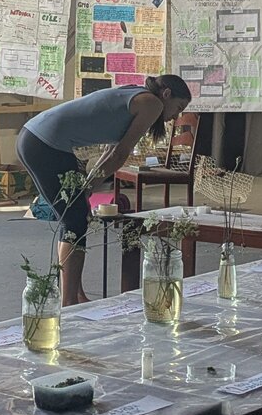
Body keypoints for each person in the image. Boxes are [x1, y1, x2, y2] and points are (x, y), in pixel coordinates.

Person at [17, 75, 193, 306]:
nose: (176, 117)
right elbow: (120, 154)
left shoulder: (136, 94)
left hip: (34, 137)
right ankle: (69, 302)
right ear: (167, 94)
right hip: (45, 144)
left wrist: (89, 184)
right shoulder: (152, 103)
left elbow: (110, 151)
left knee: (74, 218)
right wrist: (90, 186)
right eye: (178, 108)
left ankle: (75, 294)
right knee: (75, 221)